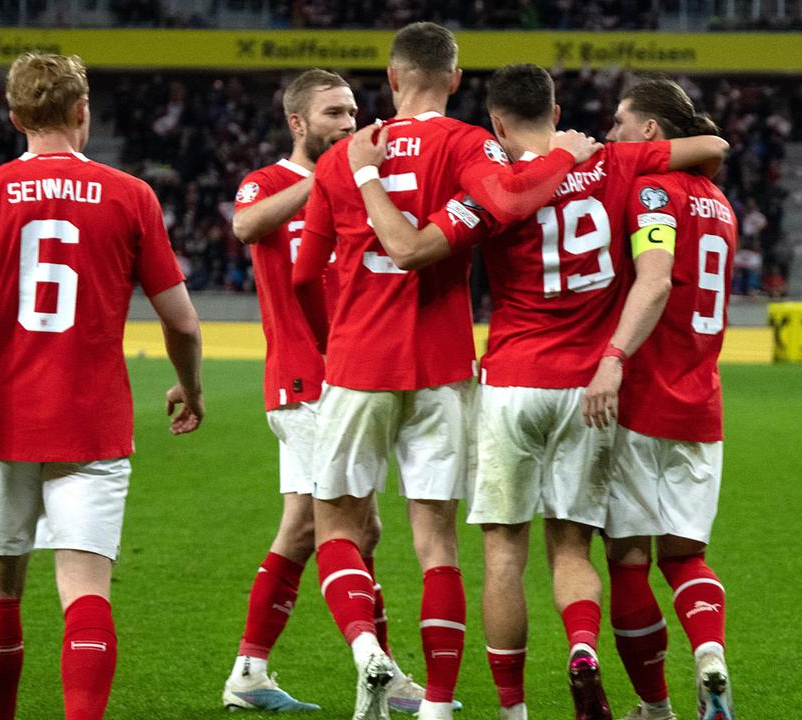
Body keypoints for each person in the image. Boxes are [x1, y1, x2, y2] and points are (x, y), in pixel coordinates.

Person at [344, 64, 727, 720]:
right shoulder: (616, 163)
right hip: (589, 388)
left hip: (514, 381)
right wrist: (597, 150)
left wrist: (366, 173)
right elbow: (710, 148)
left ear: (495, 123)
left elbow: (408, 248)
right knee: (574, 546)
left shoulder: (492, 186)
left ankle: (513, 711)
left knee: (503, 551)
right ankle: (582, 647)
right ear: (556, 108)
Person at [292, 26, 600, 720]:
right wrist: (562, 156)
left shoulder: (344, 158)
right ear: (456, 80)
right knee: (437, 545)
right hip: (441, 363)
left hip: (357, 362)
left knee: (337, 525)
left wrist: (331, 340)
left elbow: (304, 272)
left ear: (393, 79)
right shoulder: (468, 144)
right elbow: (509, 198)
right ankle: (435, 704)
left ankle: (369, 651)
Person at [0, 53, 204, 720]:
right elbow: (181, 320)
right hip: (93, 420)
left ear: (12, 118)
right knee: (86, 587)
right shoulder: (132, 195)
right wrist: (192, 387)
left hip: (4, 419)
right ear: (81, 112)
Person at [224, 67, 425, 713]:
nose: (347, 122)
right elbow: (246, 224)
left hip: (341, 376)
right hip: (307, 381)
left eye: (352, 112)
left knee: (302, 530)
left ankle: (249, 672)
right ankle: (384, 672)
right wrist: (328, 174)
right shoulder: (272, 181)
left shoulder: (354, 193)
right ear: (298, 123)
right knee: (359, 527)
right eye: (333, 113)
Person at [587, 78, 739, 720]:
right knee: (687, 555)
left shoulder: (652, 191)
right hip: (702, 405)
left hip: (644, 398)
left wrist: (613, 358)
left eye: (622, 122)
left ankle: (654, 709)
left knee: (627, 560)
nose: (613, 133)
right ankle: (710, 654)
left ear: (651, 131)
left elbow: (652, 283)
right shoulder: (720, 202)